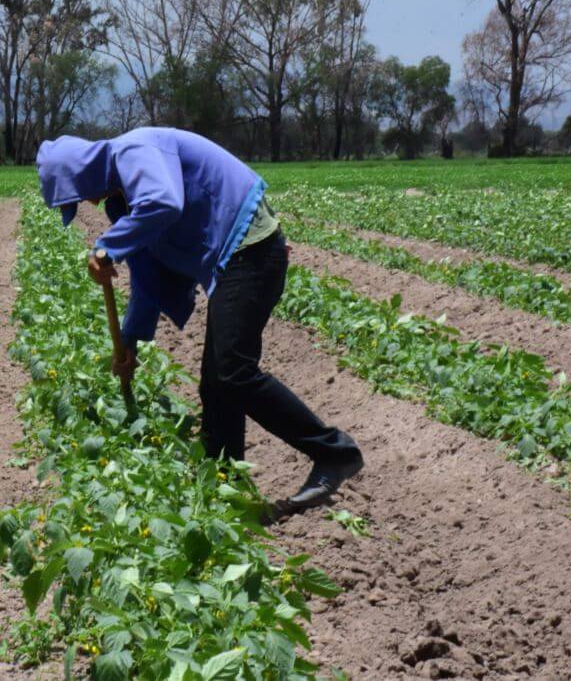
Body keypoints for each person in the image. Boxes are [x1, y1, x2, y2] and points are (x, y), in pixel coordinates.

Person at [36, 127, 363, 510]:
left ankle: (334, 453)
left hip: (252, 249)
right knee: (215, 383)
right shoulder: (122, 204)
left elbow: (164, 202)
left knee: (231, 372)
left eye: (79, 194)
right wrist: (130, 340)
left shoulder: (133, 151)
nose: (87, 202)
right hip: (235, 261)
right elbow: (147, 280)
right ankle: (224, 489)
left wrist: (108, 247)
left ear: (83, 172)